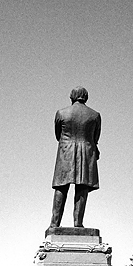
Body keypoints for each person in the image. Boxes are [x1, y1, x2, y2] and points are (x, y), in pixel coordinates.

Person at [49, 86, 101, 228]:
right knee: (82, 187)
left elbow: (57, 135)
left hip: (66, 150)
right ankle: (78, 223)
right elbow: (95, 137)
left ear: (71, 97)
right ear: (86, 97)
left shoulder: (61, 113)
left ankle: (54, 224)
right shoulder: (95, 115)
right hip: (86, 151)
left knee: (61, 187)